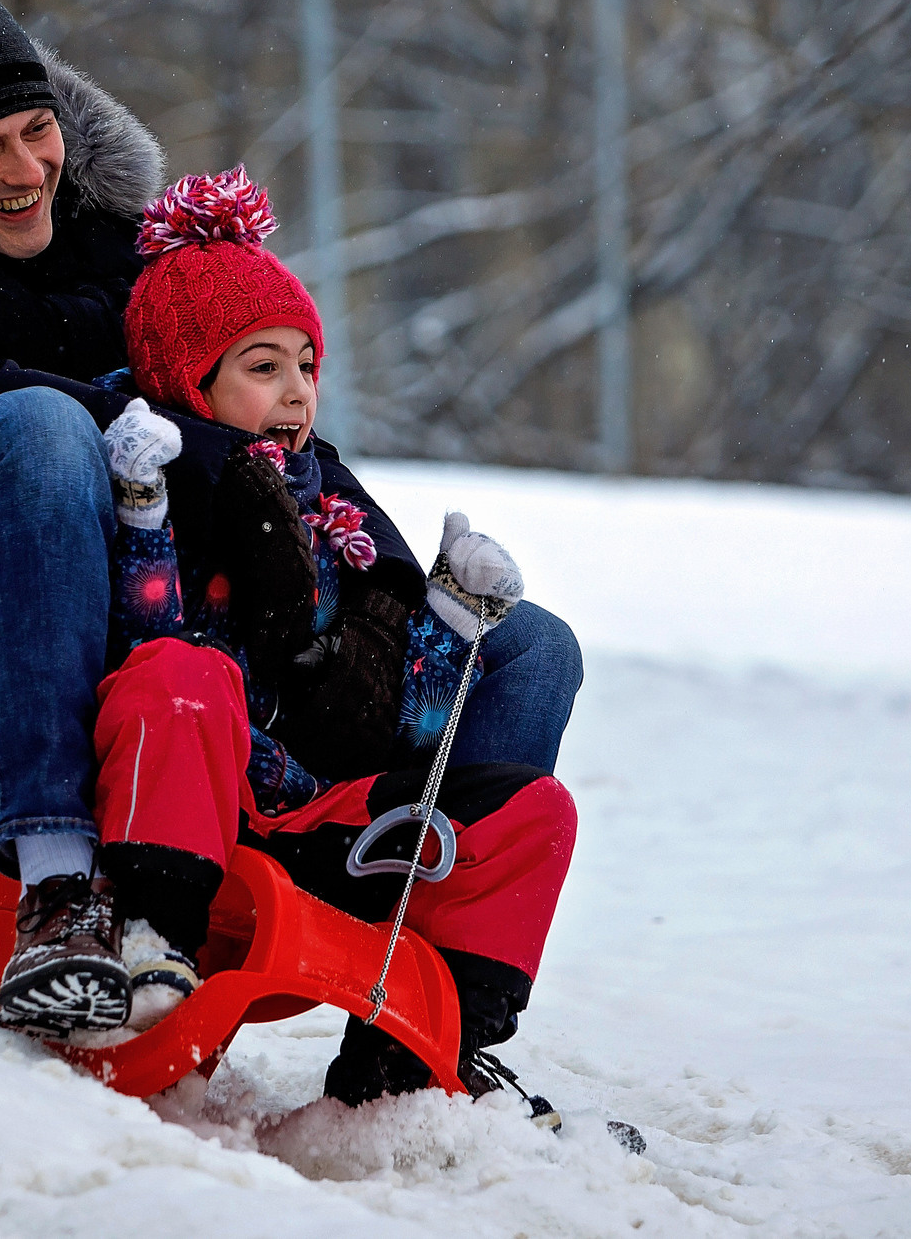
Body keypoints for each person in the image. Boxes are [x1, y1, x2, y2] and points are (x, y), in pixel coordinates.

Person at [0, 0, 586, 1044]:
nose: (26, 171)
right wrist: (223, 467)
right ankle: (59, 896)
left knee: (519, 651)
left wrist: (362, 598)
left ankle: (424, 1007)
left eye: (37, 130)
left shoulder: (119, 249)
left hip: (155, 683)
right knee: (34, 428)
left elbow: (258, 415)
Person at [80, 168, 578, 1115]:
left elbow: (405, 731)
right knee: (182, 673)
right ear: (191, 377)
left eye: (307, 365)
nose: (298, 392)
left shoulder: (330, 506)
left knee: (535, 815)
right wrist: (145, 510)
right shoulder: (160, 481)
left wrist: (448, 625)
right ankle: (153, 948)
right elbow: (142, 647)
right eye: (262, 366)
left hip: (320, 810)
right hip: (207, 799)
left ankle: (420, 1049)